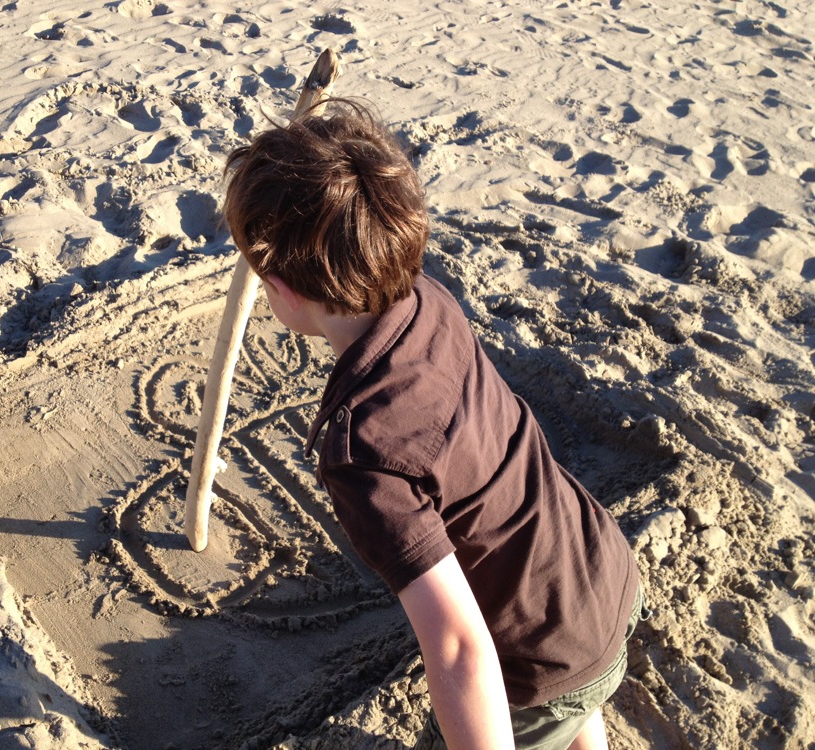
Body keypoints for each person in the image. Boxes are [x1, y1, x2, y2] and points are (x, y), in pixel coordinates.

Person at [222, 100, 643, 750]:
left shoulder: (361, 451)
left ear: (280, 288)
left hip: (535, 657)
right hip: (596, 568)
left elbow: (456, 648)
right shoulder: (427, 299)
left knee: (548, 707)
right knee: (582, 699)